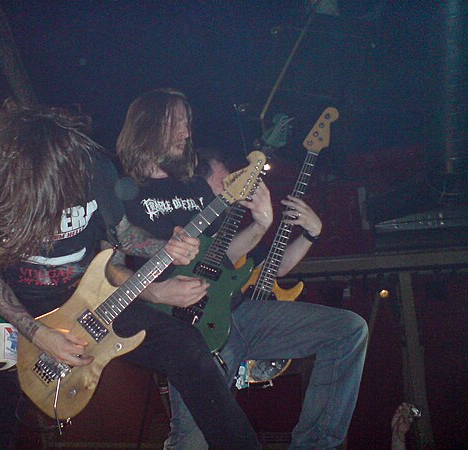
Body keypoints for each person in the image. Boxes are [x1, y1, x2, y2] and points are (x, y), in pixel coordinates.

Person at [0, 101, 261, 449]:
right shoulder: (3, 186)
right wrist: (39, 334)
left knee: (185, 345)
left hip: (84, 295)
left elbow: (122, 234)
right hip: (16, 303)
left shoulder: (94, 170)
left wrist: (164, 246)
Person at [116, 88, 369, 450]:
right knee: (192, 442)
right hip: (187, 328)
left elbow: (221, 257)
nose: (187, 133)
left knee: (349, 330)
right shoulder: (124, 192)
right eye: (179, 124)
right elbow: (105, 269)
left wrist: (261, 224)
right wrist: (154, 290)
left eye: (188, 125)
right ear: (149, 125)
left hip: (237, 310)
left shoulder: (195, 188)